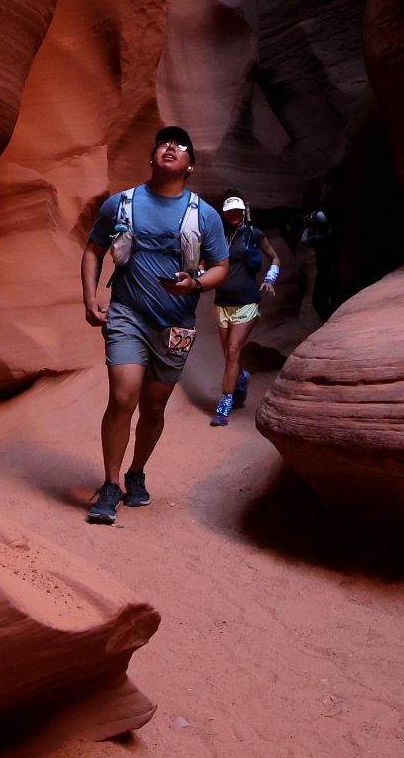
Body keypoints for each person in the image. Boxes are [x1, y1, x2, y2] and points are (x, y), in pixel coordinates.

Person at [79, 125, 229, 524]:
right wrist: (90, 295)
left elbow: (221, 268)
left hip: (176, 326)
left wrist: (195, 283)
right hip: (128, 314)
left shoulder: (205, 216)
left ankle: (136, 472)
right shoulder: (121, 204)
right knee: (124, 396)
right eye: (164, 141)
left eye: (181, 145)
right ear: (151, 156)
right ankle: (110, 484)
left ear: (190, 164)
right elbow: (94, 250)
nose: (171, 147)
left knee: (154, 405)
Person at [208, 196, 279, 426]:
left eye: (237, 210)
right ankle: (240, 378)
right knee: (228, 356)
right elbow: (203, 263)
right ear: (224, 213)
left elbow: (275, 258)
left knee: (232, 351)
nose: (234, 215)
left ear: (242, 211)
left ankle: (225, 404)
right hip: (222, 303)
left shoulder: (253, 234)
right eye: (230, 211)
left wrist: (270, 279)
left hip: (247, 301)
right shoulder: (217, 236)